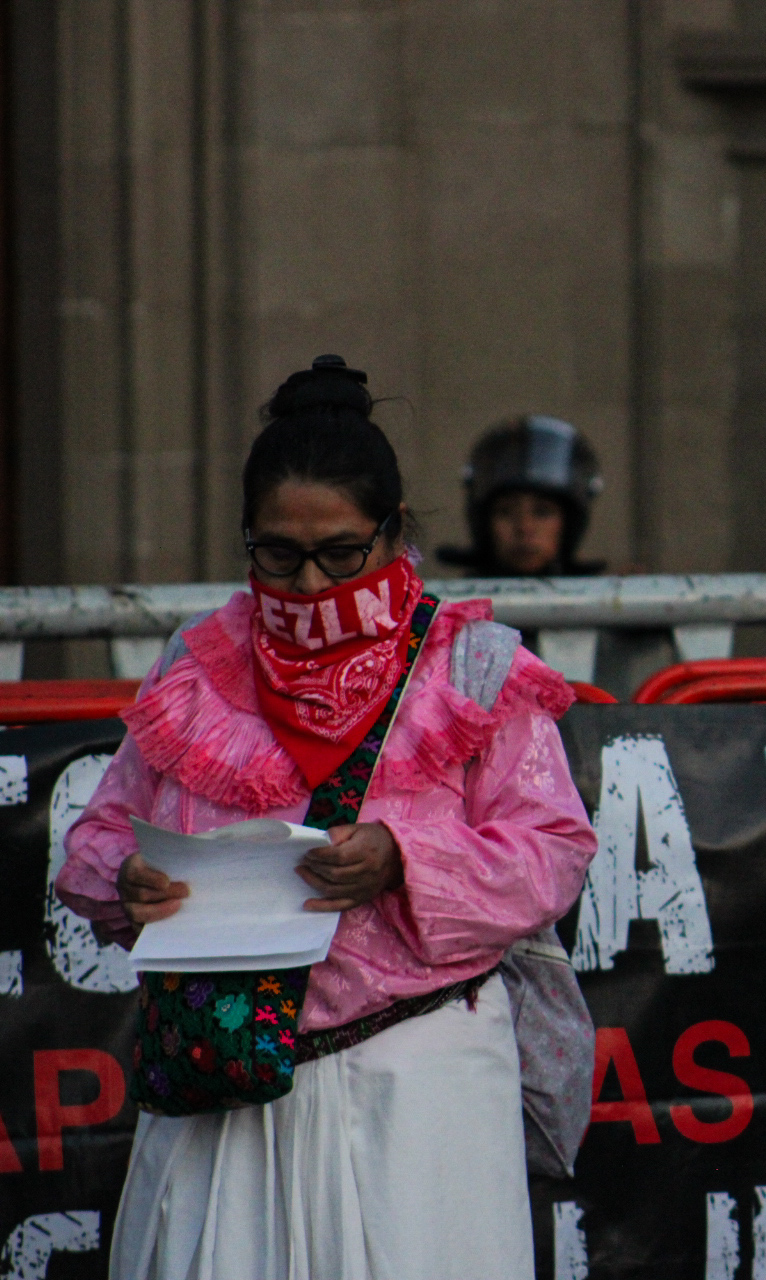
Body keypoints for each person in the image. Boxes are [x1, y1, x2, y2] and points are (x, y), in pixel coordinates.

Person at [55, 356, 597, 1280]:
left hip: (417, 1090)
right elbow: (98, 836)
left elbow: (553, 851)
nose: (308, 583)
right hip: (222, 1092)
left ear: (392, 535)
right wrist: (122, 881)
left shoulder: (472, 668)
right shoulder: (195, 663)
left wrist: (404, 856)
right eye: (278, 553)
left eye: (340, 553)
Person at [438, 414, 606, 576]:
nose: (525, 528)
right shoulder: (452, 603)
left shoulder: (606, 600)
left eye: (542, 512)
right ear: (483, 522)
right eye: (505, 512)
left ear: (570, 524)